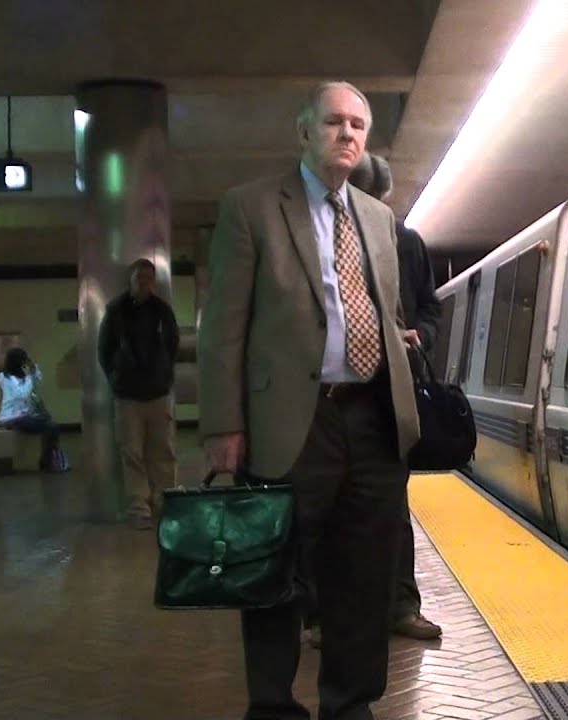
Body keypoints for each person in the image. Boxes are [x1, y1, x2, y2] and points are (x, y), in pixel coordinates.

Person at [198, 81, 420, 720]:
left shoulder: (379, 220)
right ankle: (272, 705)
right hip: (292, 419)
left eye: (358, 124)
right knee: (276, 572)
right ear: (304, 132)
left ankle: (350, 704)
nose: (347, 134)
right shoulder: (252, 207)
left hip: (372, 418)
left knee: (364, 574)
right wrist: (224, 423)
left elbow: (384, 308)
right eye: (333, 122)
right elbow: (223, 327)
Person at [301, 153, 442, 648]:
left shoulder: (406, 242)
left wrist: (416, 337)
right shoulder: (314, 238)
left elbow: (429, 308)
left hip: (385, 397)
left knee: (391, 511)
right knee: (320, 512)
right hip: (324, 398)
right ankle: (320, 614)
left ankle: (401, 605)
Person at [98, 258, 180, 530]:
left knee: (163, 452)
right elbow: (104, 350)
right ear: (131, 280)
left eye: (148, 278)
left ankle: (165, 503)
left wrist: (164, 375)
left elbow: (172, 345)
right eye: (139, 278)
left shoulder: (162, 312)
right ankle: (139, 508)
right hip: (128, 396)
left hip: (157, 393)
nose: (144, 283)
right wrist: (116, 378)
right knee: (131, 453)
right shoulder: (116, 312)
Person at [0, 347, 65, 472]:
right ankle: (47, 461)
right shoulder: (6, 379)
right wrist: (30, 377)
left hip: (23, 416)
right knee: (51, 426)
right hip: (13, 418)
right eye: (22, 361)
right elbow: (22, 394)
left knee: (49, 422)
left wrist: (33, 369)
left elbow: (38, 380)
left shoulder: (19, 376)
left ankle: (48, 459)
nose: (24, 364)